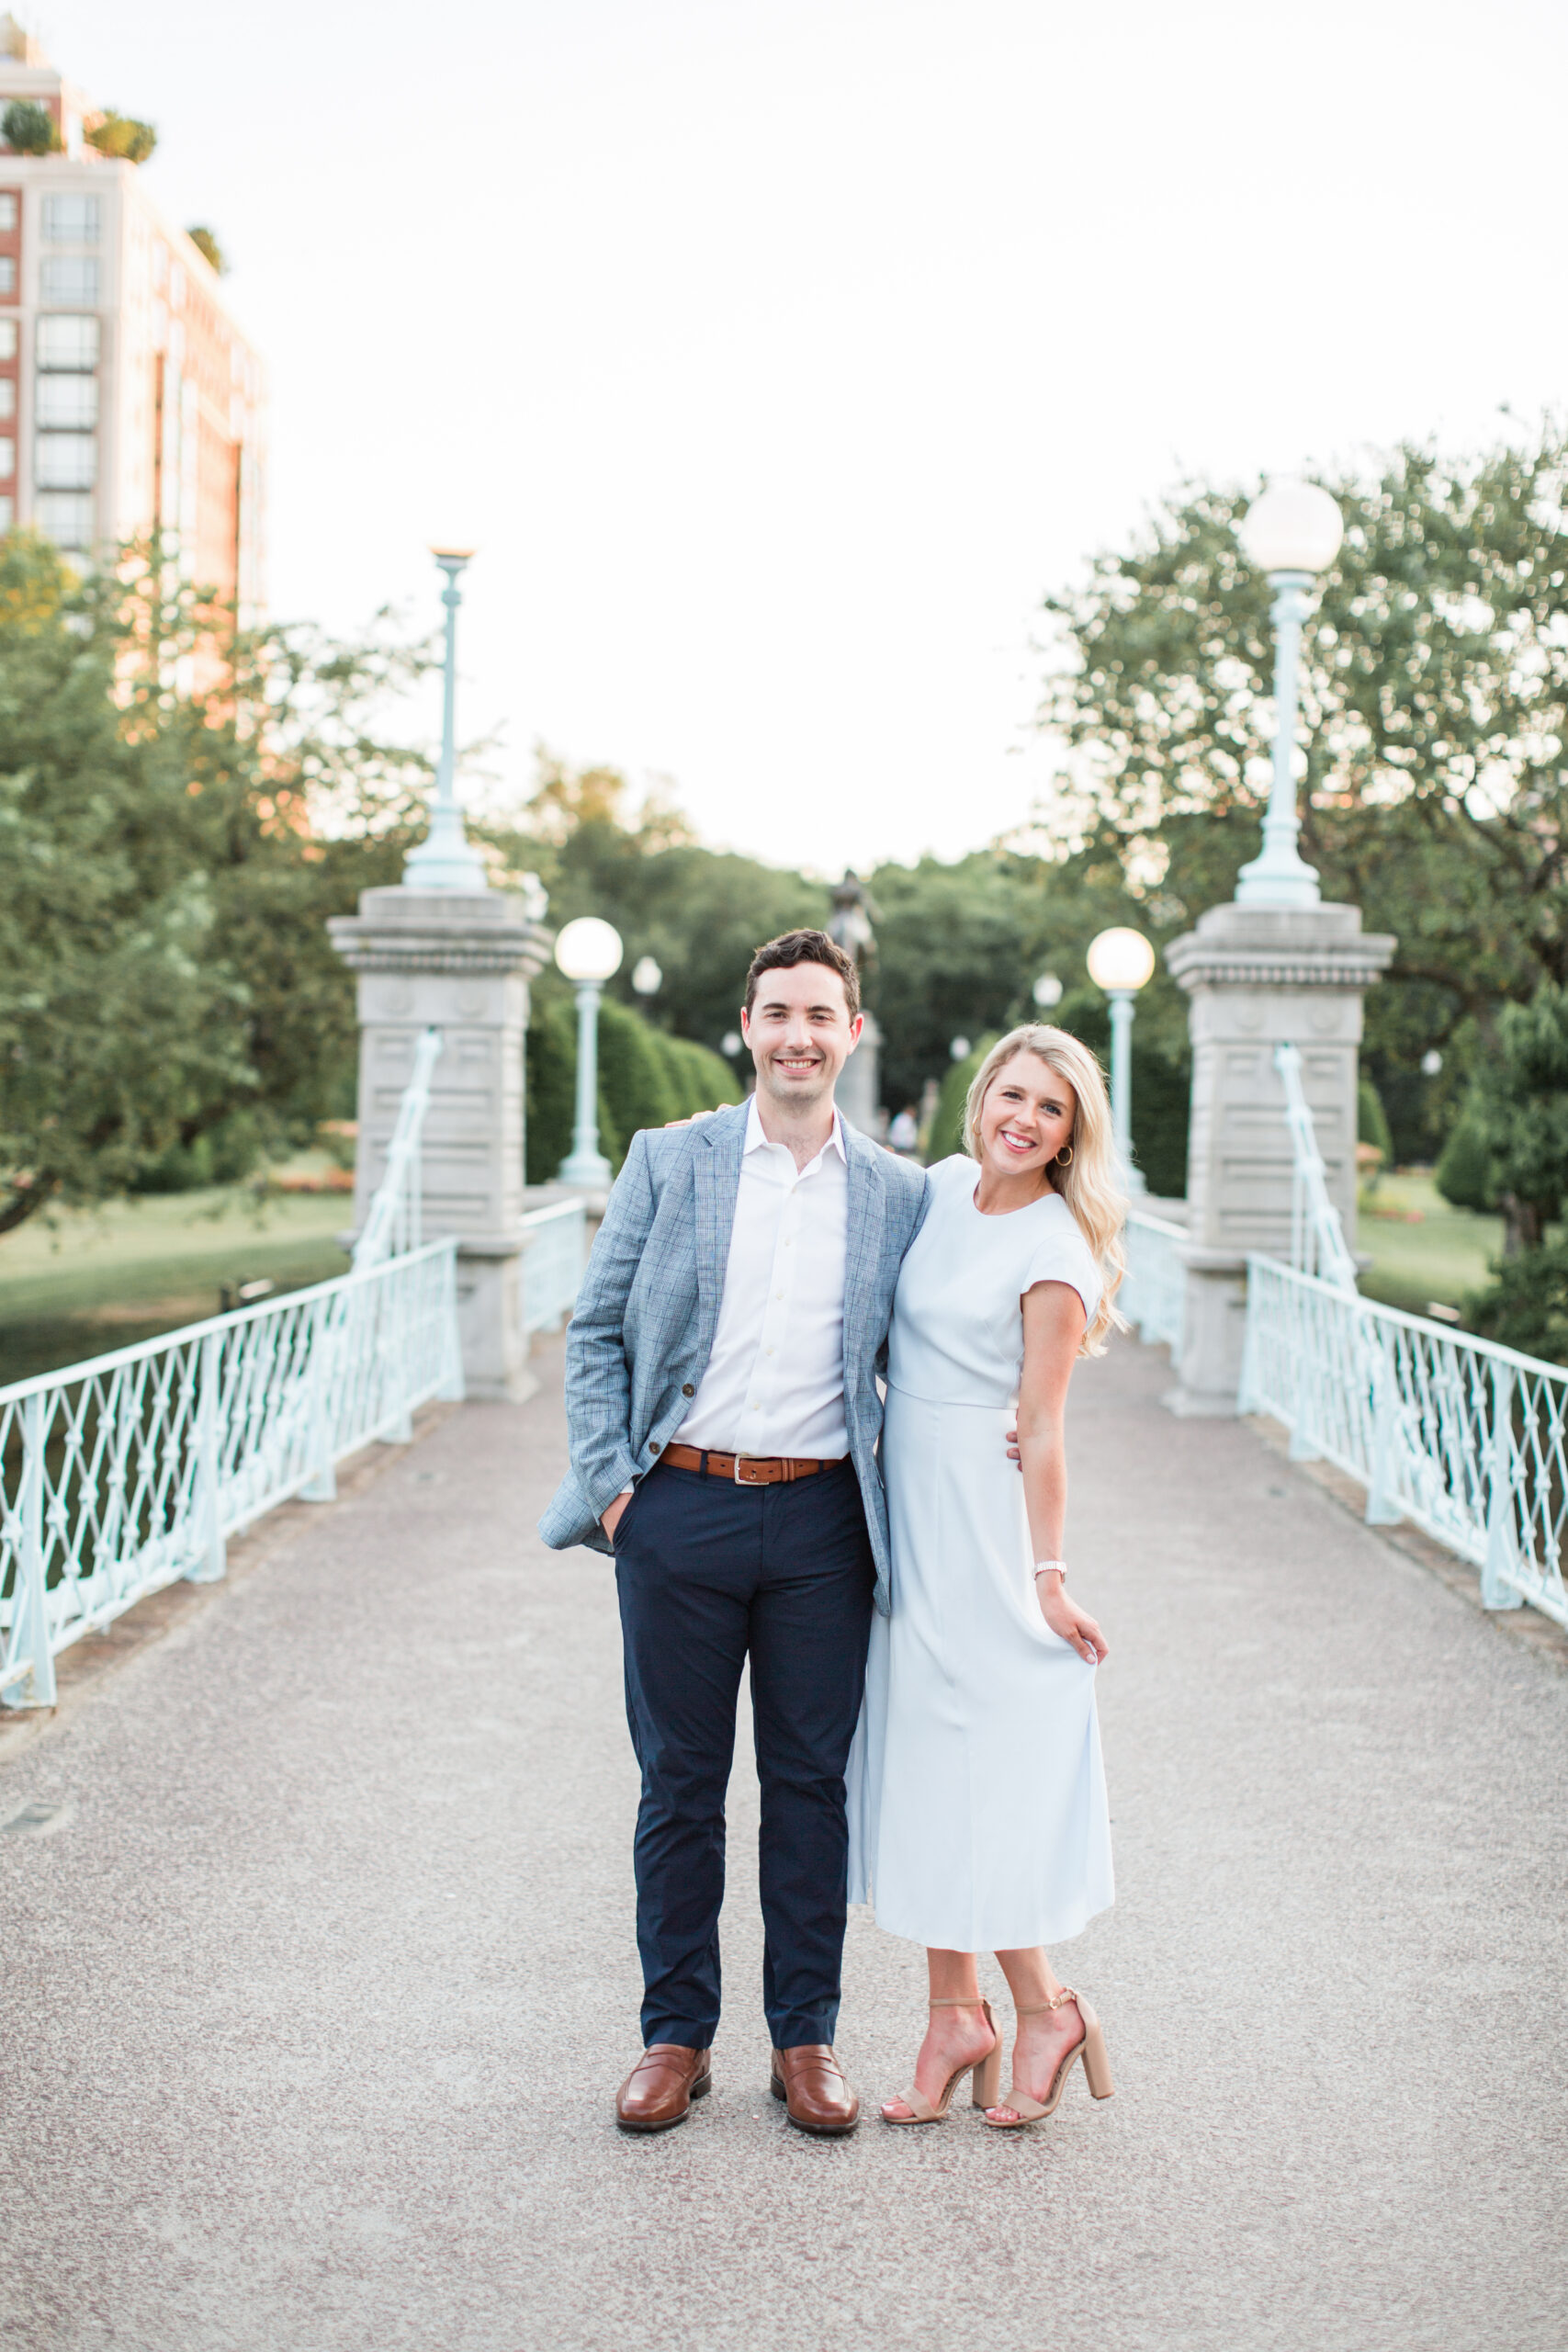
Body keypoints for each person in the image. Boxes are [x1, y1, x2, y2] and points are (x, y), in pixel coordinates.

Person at [538, 928, 928, 2135]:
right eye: (776, 1013)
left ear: (851, 1032)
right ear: (748, 1028)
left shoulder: (900, 1192)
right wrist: (619, 1492)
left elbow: (940, 1345)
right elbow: (594, 1330)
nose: (797, 1036)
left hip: (822, 1522)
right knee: (679, 1786)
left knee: (810, 1789)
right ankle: (675, 2036)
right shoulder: (671, 1159)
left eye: (819, 1015)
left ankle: (804, 2039)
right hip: (679, 1509)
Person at [847, 1023, 1122, 2129]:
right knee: (921, 1760)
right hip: (902, 1504)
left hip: (979, 1518)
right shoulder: (939, 1188)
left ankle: (1041, 2005)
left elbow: (1042, 1426)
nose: (1026, 1119)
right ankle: (958, 2013)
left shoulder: (1057, 1250)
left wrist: (1049, 1576)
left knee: (982, 1768)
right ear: (983, 1096)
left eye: (1051, 1109)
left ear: (1070, 1135)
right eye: (1014, 1094)